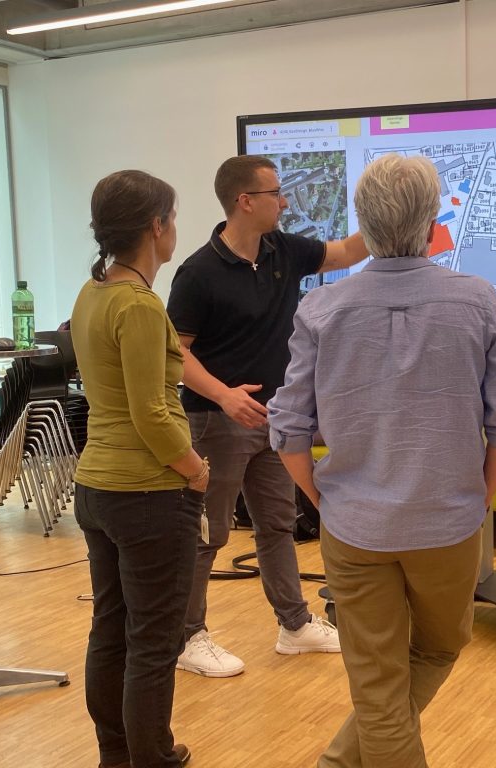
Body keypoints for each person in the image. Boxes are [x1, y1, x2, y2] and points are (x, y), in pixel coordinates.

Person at [268, 153, 496, 768]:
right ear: (433, 224)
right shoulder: (477, 300)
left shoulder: (320, 309)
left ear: (363, 225)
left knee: (378, 681)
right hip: (449, 523)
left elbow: (288, 428)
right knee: (438, 649)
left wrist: (325, 501)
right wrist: (479, 499)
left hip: (354, 528)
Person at [166, 155, 368, 676]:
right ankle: (187, 637)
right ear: (245, 201)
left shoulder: (284, 250)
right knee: (209, 533)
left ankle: (294, 625)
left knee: (277, 525)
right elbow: (175, 353)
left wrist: (391, 212)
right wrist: (224, 395)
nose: (285, 200)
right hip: (216, 422)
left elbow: (348, 250)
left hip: (275, 420)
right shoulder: (198, 273)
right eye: (275, 192)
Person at [71, 170, 209, 768]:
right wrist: (195, 469)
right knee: (153, 638)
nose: (175, 228)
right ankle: (152, 756)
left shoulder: (93, 292)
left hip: (97, 487)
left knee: (110, 628)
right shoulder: (140, 305)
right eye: (173, 218)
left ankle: (118, 753)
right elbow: (151, 411)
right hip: (148, 493)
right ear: (156, 227)